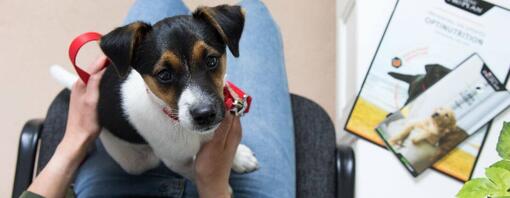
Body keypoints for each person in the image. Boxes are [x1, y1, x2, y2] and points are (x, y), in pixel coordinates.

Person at [23, 0, 295, 197]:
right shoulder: (143, 108)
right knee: (256, 8)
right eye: (165, 75)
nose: (200, 103)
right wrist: (212, 181)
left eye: (211, 61)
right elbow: (176, 161)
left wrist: (74, 140)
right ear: (135, 68)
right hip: (139, 156)